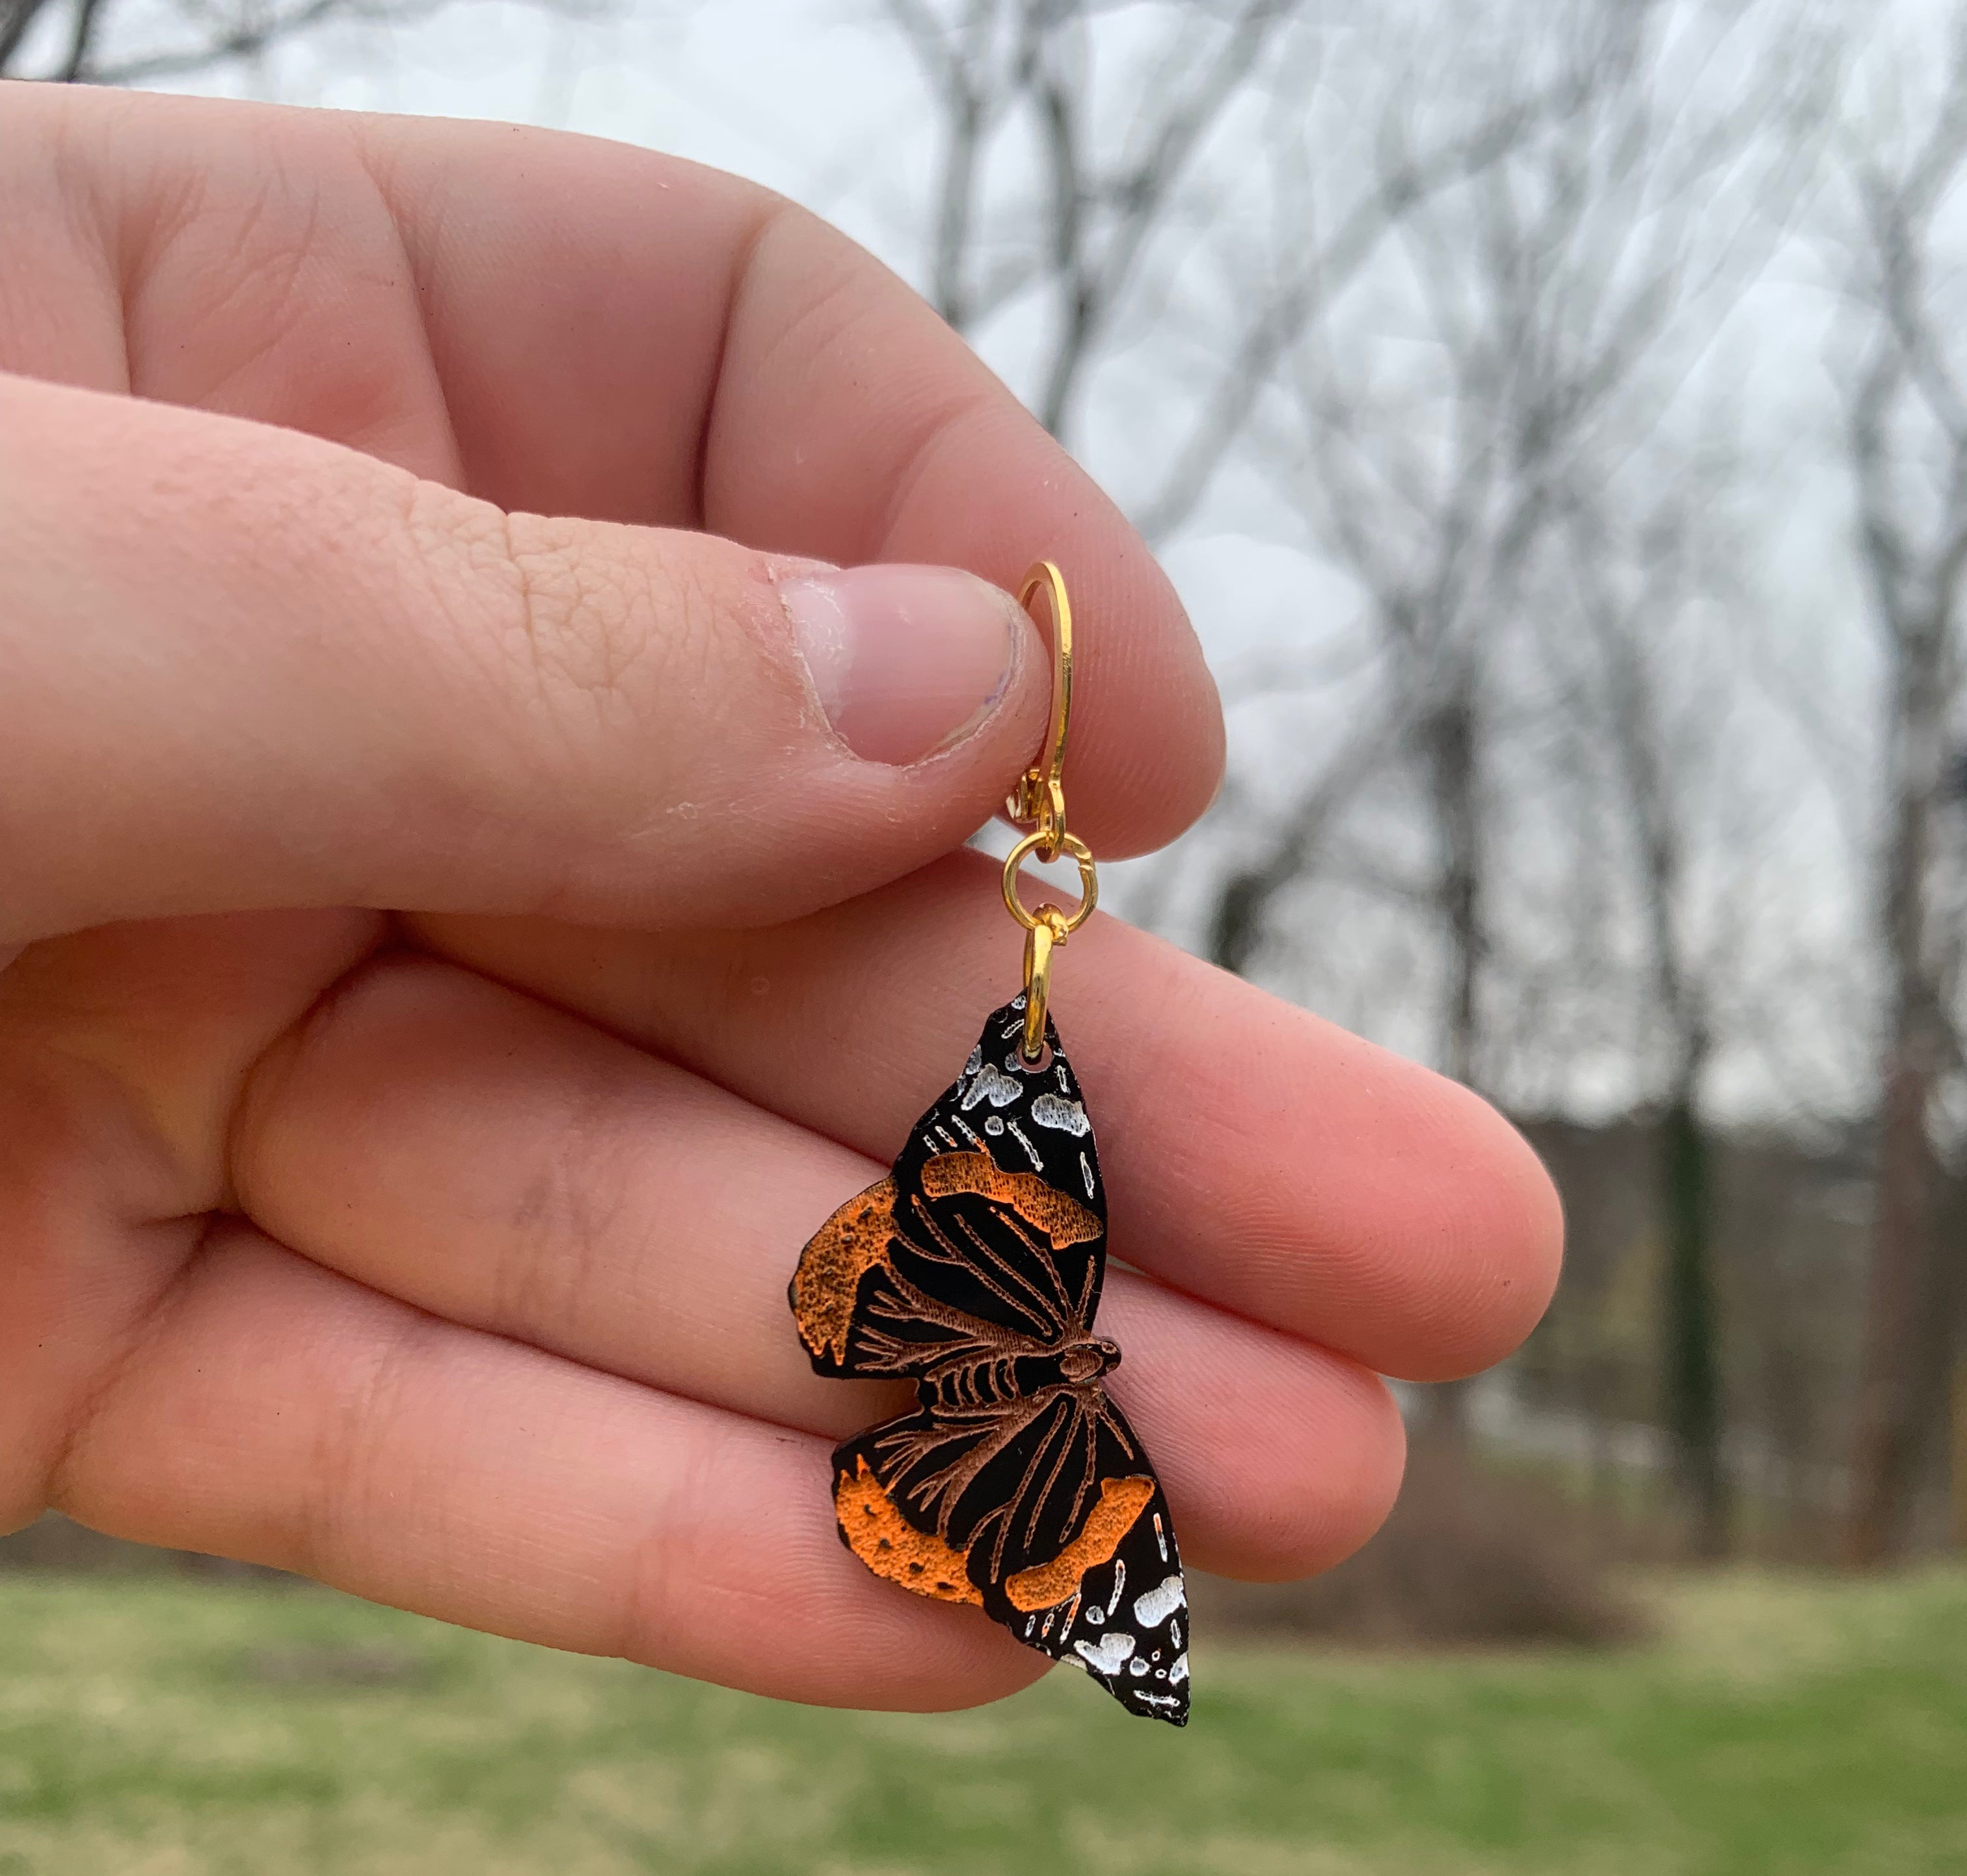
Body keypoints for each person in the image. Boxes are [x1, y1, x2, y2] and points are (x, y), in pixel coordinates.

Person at [0, 85, 1562, 1712]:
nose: (1098, 1359)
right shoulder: (1065, 1322)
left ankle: (1025, 1534)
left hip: (923, 1294)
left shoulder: (1050, 1266)